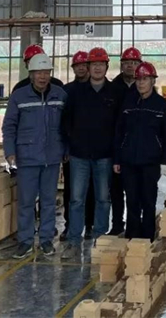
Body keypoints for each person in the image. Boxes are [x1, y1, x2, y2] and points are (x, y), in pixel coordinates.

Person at [3, 53, 66, 259]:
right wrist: (10, 152)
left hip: (52, 157)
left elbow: (67, 125)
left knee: (48, 202)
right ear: (31, 74)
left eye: (46, 72)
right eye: (39, 73)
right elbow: (9, 126)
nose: (42, 77)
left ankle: (46, 240)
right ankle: (25, 241)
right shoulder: (19, 97)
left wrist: (65, 150)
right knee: (26, 202)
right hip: (27, 157)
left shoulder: (60, 95)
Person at [61, 48, 122, 259]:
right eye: (94, 64)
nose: (97, 68)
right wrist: (71, 143)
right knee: (76, 199)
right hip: (79, 155)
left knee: (103, 199)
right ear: (88, 67)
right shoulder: (75, 92)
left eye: (101, 64)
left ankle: (100, 241)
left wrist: (116, 152)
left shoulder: (115, 92)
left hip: (105, 155)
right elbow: (66, 121)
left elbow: (120, 126)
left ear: (106, 66)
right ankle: (73, 242)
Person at [114, 62, 166, 241]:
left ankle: (147, 237)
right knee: (132, 200)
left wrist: (165, 161)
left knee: (148, 201)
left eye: (145, 79)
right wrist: (117, 158)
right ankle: (132, 236)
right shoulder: (128, 103)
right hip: (129, 161)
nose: (141, 83)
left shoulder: (162, 105)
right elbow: (119, 132)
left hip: (151, 162)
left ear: (153, 81)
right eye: (138, 79)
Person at [107, 47, 141, 235]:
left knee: (135, 190)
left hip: (137, 146)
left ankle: (135, 225)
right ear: (121, 65)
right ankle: (117, 224)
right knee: (116, 189)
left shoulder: (143, 86)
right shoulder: (112, 88)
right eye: (127, 62)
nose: (130, 66)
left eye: (134, 63)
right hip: (116, 144)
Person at [62, 51, 91, 242]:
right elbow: (63, 121)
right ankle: (70, 225)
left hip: (94, 149)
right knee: (71, 191)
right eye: (77, 66)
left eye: (83, 65)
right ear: (73, 68)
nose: (81, 68)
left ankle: (90, 225)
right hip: (73, 150)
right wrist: (66, 146)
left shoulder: (96, 88)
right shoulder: (67, 91)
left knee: (92, 191)